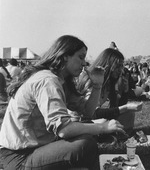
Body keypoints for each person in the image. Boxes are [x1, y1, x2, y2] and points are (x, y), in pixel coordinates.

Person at [0, 35, 125, 170]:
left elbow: (87, 111)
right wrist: (103, 127)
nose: (84, 63)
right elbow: (64, 130)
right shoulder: (47, 80)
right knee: (85, 143)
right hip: (18, 157)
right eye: (80, 57)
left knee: (87, 134)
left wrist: (97, 86)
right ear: (65, 56)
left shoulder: (60, 80)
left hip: (36, 147)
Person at [77, 48, 143, 131]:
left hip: (94, 120)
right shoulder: (91, 80)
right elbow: (93, 113)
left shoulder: (109, 82)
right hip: (81, 121)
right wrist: (126, 107)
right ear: (107, 65)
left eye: (122, 66)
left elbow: (115, 108)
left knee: (128, 113)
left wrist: (125, 91)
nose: (121, 70)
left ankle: (120, 134)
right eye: (117, 66)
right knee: (104, 120)